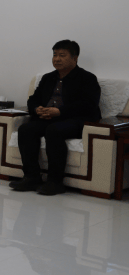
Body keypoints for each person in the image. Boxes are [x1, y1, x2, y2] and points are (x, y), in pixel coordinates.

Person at [12, 40, 101, 195]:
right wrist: (36, 109)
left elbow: (89, 104)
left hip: (76, 119)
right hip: (49, 118)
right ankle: (31, 177)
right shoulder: (48, 78)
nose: (57, 59)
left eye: (62, 55)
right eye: (54, 55)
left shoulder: (87, 78)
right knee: (26, 129)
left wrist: (60, 112)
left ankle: (55, 182)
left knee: (54, 130)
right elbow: (33, 99)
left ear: (75, 58)